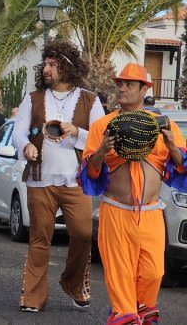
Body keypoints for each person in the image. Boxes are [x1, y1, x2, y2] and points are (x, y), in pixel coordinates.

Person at [80, 63, 187, 325]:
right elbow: (89, 172)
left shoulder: (164, 125)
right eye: (120, 84)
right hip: (116, 212)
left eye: (129, 84)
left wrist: (172, 145)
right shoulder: (102, 126)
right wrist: (103, 151)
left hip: (151, 213)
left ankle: (131, 312)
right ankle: (125, 315)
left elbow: (182, 166)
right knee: (120, 276)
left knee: (153, 274)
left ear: (144, 90)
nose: (122, 88)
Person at [12, 41, 104, 313]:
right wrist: (25, 146)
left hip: (76, 182)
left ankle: (74, 284)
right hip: (40, 179)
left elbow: (100, 139)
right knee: (39, 239)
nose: (47, 69)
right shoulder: (33, 98)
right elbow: (19, 131)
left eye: (54, 64)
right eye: (46, 64)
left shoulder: (90, 99)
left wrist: (76, 132)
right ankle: (33, 297)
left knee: (84, 235)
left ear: (68, 67)